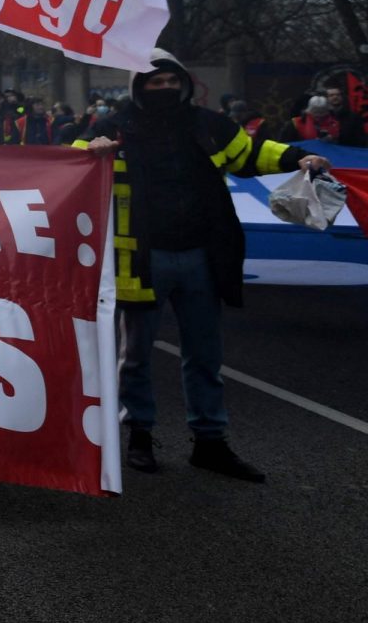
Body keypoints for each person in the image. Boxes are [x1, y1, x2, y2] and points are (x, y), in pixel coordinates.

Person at [78, 50, 332, 482]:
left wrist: (297, 158)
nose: (164, 88)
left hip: (201, 255)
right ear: (137, 86)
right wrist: (90, 152)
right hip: (140, 258)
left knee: (205, 354)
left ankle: (210, 442)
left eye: (171, 81)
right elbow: (69, 169)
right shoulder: (111, 128)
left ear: (183, 82)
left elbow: (250, 153)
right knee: (135, 356)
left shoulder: (207, 124)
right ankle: (139, 434)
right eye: (154, 83)